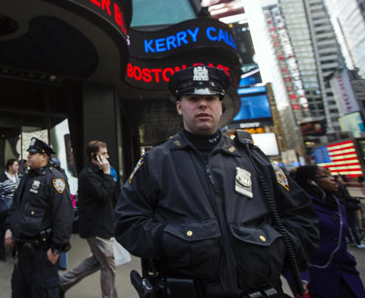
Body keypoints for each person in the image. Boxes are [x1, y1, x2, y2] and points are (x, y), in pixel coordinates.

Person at [114, 66, 319, 297]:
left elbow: (303, 219)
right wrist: (180, 242)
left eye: (211, 98)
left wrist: (273, 249)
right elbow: (127, 223)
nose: (203, 104)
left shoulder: (253, 158)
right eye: (193, 98)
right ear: (180, 107)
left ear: (220, 106)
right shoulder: (156, 161)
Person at [5, 137, 74, 298]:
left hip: (42, 251)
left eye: (32, 153)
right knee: (20, 291)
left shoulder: (55, 179)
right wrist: (9, 228)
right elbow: (16, 206)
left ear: (44, 156)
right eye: (28, 153)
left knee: (43, 292)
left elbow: (64, 216)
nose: (28, 156)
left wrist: (57, 247)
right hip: (22, 250)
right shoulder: (27, 177)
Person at [291, 166, 365, 297]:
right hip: (317, 278)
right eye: (325, 176)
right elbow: (293, 245)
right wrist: (301, 277)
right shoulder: (300, 207)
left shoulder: (337, 204)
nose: (333, 179)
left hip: (346, 273)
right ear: (311, 182)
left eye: (331, 175)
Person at [60, 140, 118, 298]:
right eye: (104, 153)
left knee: (97, 262)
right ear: (94, 156)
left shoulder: (99, 171)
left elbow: (111, 195)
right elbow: (104, 195)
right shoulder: (88, 175)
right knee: (108, 265)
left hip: (103, 225)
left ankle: (62, 283)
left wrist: (106, 171)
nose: (107, 156)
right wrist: (107, 173)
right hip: (96, 227)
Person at [0, 158, 20, 261]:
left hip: (16, 209)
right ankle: (1, 252)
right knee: (2, 231)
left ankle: (14, 251)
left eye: (17, 165)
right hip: (5, 209)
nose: (17, 167)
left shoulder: (19, 177)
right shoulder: (2, 178)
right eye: (15, 165)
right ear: (9, 166)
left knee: (15, 230)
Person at [335, 175, 365, 248]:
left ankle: (351, 241)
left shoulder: (336, 186)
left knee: (348, 225)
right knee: (353, 225)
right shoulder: (339, 186)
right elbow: (346, 197)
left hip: (343, 208)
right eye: (340, 177)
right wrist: (355, 201)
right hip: (348, 208)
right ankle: (357, 242)